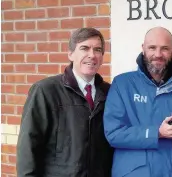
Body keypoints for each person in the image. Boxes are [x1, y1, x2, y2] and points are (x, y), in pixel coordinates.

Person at [103, 27, 172, 177]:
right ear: (143, 49)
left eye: (164, 48)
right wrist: (156, 133)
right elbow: (113, 134)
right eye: (152, 48)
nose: (158, 54)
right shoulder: (122, 84)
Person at [16, 28, 113, 177]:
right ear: (71, 54)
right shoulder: (45, 90)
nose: (92, 55)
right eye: (84, 48)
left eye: (98, 50)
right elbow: (28, 146)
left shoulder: (109, 92)